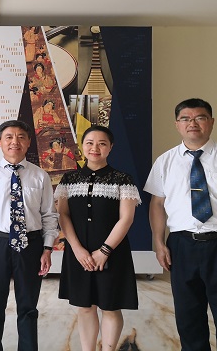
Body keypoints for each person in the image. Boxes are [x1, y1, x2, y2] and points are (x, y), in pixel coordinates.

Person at [144, 98, 217, 351]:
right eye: (185, 119)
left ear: (211, 122)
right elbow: (157, 205)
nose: (192, 123)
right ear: (177, 124)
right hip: (182, 245)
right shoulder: (165, 161)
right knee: (188, 317)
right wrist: (159, 243)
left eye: (200, 118)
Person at [0, 120, 58, 351]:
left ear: (28, 142)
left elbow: (49, 215)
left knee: (28, 307)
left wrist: (47, 248)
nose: (14, 142)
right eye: (9, 137)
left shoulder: (40, 176)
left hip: (31, 244)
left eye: (21, 137)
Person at [54, 125, 140, 351]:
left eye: (102, 143)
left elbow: (126, 219)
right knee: (84, 307)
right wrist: (77, 250)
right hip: (78, 252)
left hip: (113, 253)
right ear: (82, 147)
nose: (95, 148)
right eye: (90, 143)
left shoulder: (122, 179)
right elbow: (63, 215)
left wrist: (104, 251)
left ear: (111, 147)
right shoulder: (69, 179)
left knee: (110, 306)